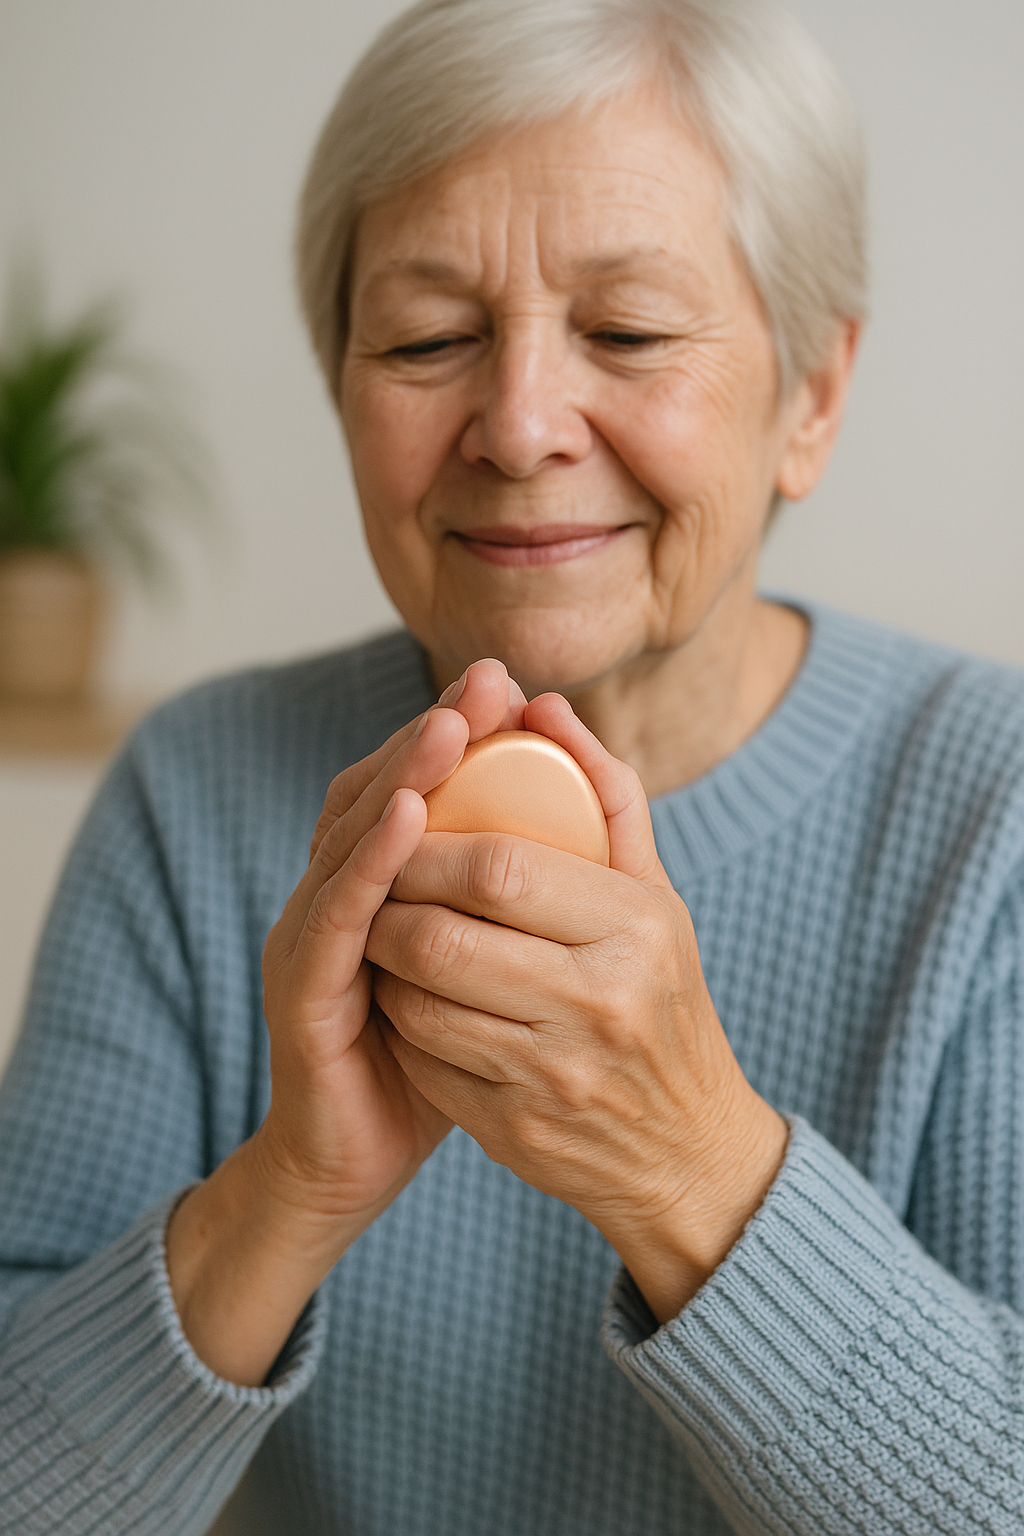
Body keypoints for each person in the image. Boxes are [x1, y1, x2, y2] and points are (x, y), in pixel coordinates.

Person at [1, 0, 1023, 1531]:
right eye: (426, 339)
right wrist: (289, 1190)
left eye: (626, 332)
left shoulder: (996, 810)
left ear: (810, 396)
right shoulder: (196, 792)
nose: (523, 422)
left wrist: (691, 1166)